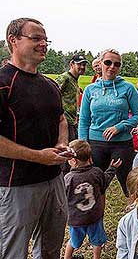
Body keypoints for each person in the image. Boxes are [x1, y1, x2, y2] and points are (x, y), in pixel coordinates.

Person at [0, 17, 69, 258]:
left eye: (45, 39)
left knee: (51, 248)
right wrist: (38, 156)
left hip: (54, 180)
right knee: (13, 251)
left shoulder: (50, 85)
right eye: (36, 38)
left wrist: (61, 144)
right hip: (16, 184)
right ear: (14, 41)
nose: (43, 44)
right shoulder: (3, 83)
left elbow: (61, 119)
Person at [79, 48, 138, 197]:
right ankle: (96, 218)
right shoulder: (90, 90)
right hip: (96, 144)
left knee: (129, 186)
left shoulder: (128, 88)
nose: (112, 67)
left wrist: (120, 127)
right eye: (108, 62)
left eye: (117, 64)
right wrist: (83, 146)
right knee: (95, 187)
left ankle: (135, 217)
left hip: (121, 143)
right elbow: (84, 120)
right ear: (100, 64)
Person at [64, 139, 122, 259]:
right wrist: (112, 168)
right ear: (90, 157)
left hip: (76, 220)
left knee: (73, 242)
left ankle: (67, 257)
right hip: (94, 216)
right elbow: (105, 182)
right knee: (97, 241)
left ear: (73, 161)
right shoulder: (96, 173)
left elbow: (61, 199)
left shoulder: (68, 179)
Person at [56, 54, 88, 142]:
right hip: (64, 122)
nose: (82, 67)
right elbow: (52, 94)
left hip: (73, 121)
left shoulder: (74, 80)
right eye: (79, 64)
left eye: (84, 65)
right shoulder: (65, 78)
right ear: (72, 64)